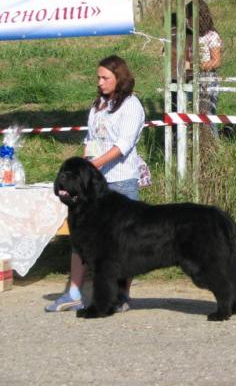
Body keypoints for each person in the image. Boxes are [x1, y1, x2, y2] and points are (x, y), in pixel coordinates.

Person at [46, 55, 146, 313]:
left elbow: (123, 145)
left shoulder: (132, 105)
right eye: (98, 77)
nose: (100, 82)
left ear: (119, 78)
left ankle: (122, 295)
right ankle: (74, 293)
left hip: (121, 181)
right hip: (91, 186)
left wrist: (93, 166)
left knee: (123, 243)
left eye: (105, 78)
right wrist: (82, 168)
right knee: (80, 237)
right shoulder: (98, 105)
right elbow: (91, 140)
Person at [185, 0, 223, 135]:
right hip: (193, 80)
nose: (186, 20)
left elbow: (216, 61)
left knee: (208, 115)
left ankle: (213, 147)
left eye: (188, 16)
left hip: (208, 80)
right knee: (194, 114)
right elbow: (188, 59)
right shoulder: (192, 37)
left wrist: (199, 67)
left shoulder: (212, 36)